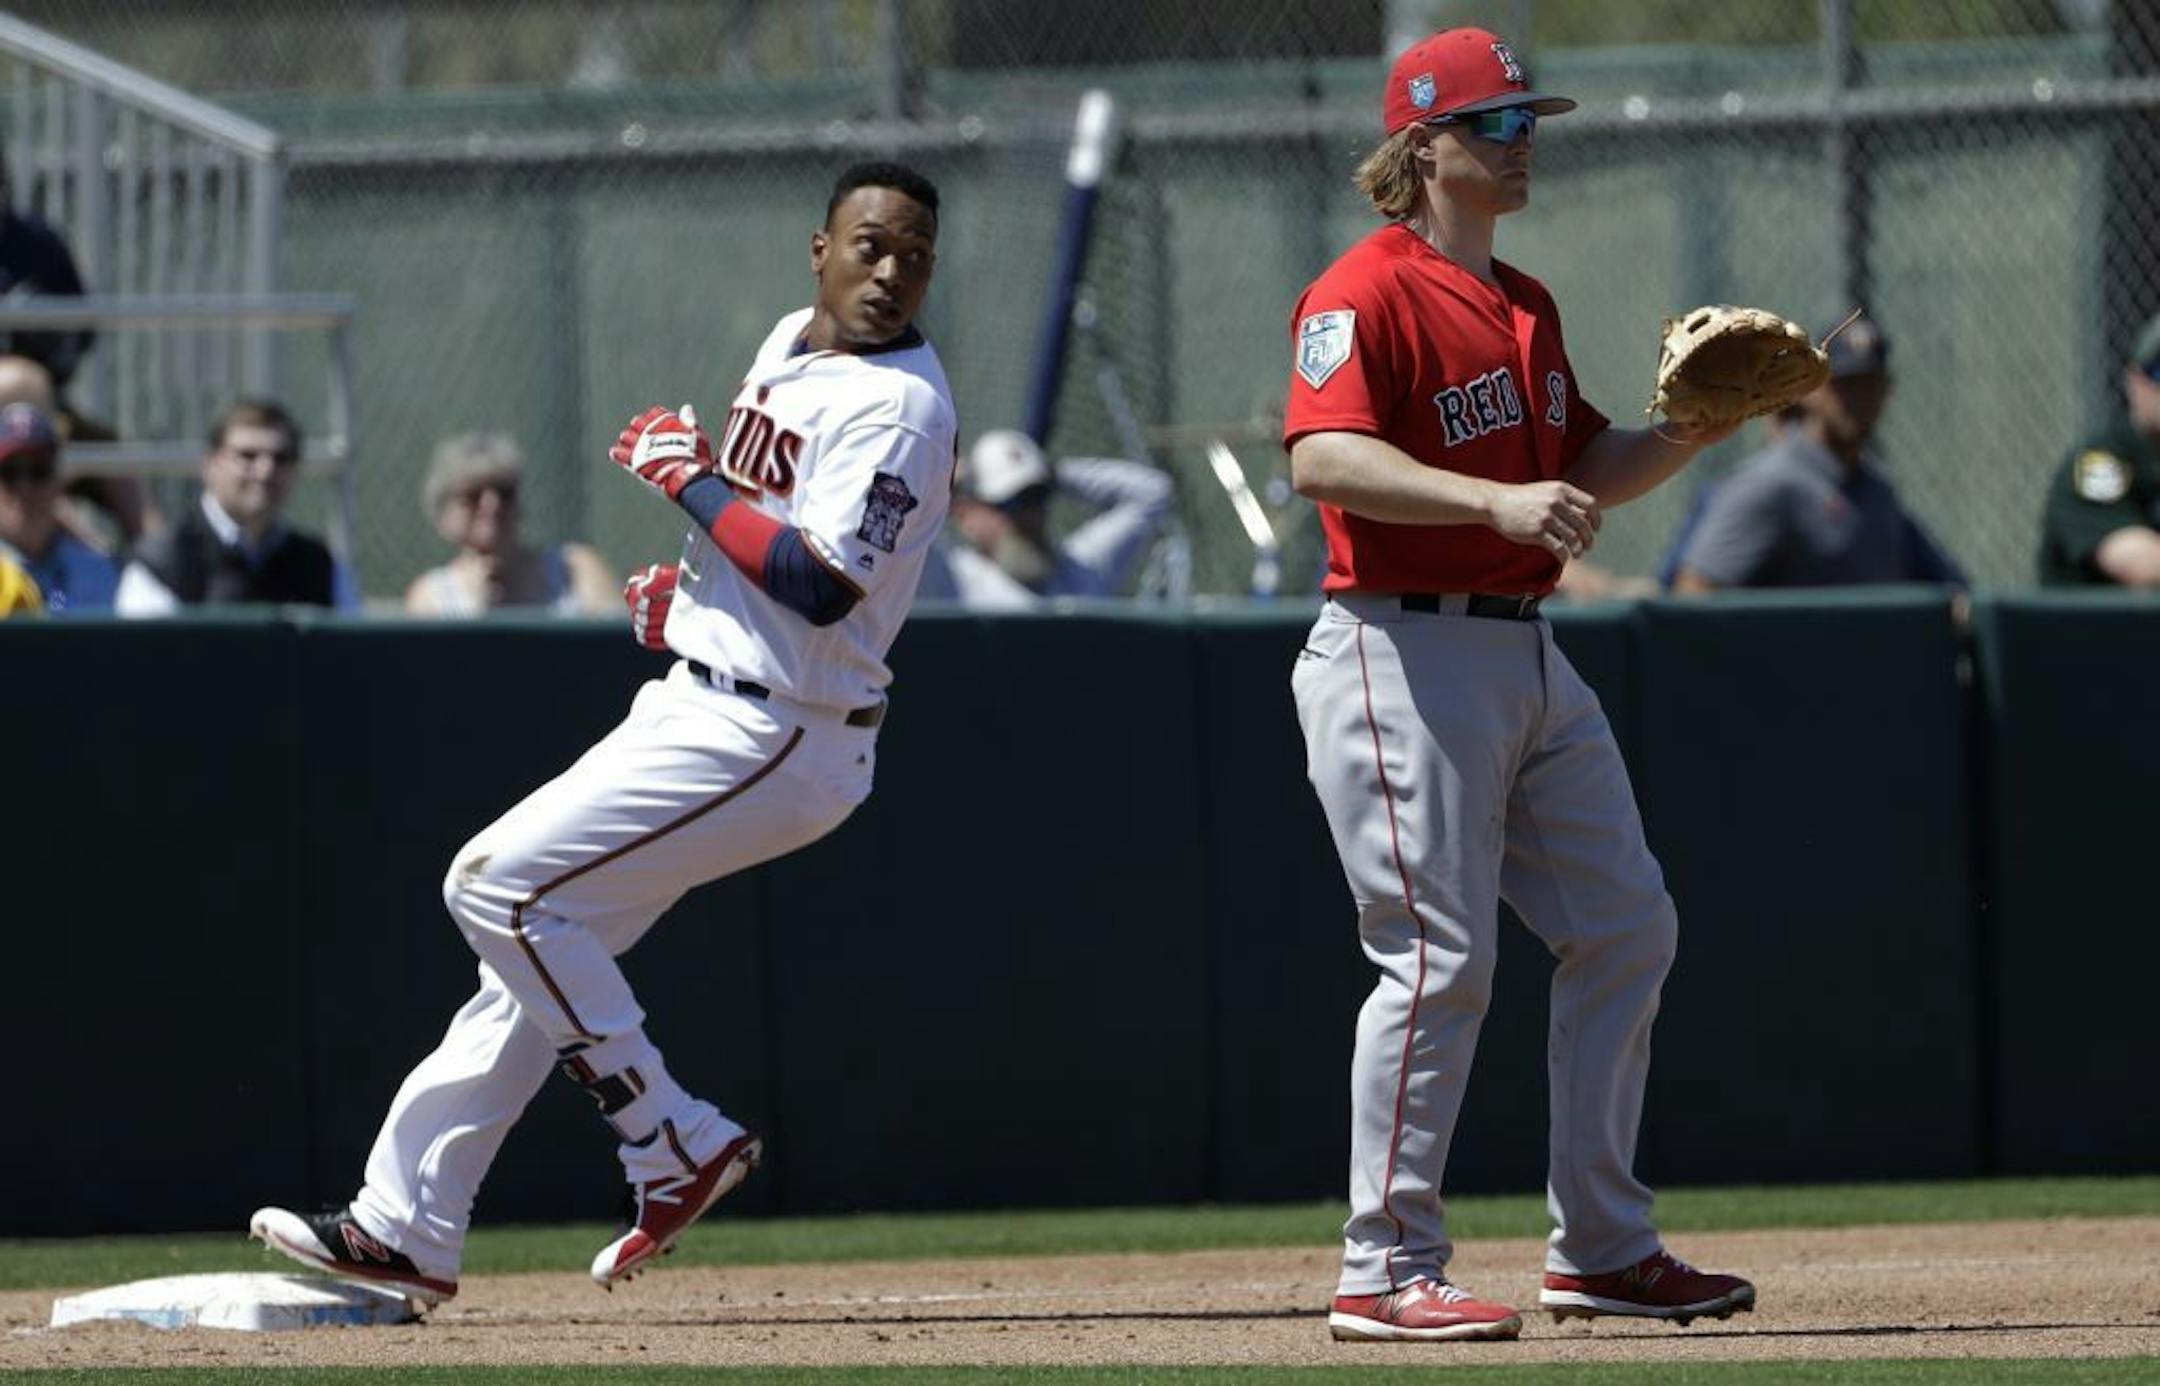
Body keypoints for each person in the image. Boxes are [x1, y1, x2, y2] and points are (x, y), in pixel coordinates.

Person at [249, 160, 955, 1306]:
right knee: (531, 959)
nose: (891, 272)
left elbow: (822, 584)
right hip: (717, 695)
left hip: (782, 733)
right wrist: (691, 609)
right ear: (817, 249)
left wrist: (686, 482)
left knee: (494, 888)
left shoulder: (906, 409)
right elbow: (769, 541)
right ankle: (405, 1224)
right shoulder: (790, 340)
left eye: (915, 255)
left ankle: (667, 1134)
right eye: (871, 245)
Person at [1283, 28, 1756, 1344]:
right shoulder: (1358, 290)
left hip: (1524, 649)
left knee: (1625, 925)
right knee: (1438, 957)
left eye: (1527, 119)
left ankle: (1600, 1246)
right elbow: (1325, 459)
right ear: (1421, 146)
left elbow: (1582, 462)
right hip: (1397, 644)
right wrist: (1496, 497)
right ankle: (1382, 1266)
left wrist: (1693, 433)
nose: (1521, 140)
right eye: (1493, 124)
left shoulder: (1528, 300)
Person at [1669, 314, 1963, 592]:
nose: (1858, 400)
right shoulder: (1770, 484)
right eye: (1844, 386)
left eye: (1870, 386)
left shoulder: (1877, 489)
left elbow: (1950, 591)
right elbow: (1695, 596)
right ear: (1809, 390)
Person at [115, 399, 361, 615]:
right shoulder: (162, 565)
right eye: (248, 455)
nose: (266, 471)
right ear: (210, 465)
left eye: (281, 458)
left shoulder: (321, 567)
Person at [926, 429, 1171, 606]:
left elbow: (1153, 492)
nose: (1029, 515)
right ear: (966, 514)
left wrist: (1053, 473)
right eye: (1010, 503)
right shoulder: (951, 579)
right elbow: (902, 531)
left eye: (1037, 497)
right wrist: (937, 485)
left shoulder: (1082, 569)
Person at [405, 431, 618, 617]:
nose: (492, 505)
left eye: (504, 492)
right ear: (443, 514)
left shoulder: (575, 569)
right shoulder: (431, 596)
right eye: (473, 495)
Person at [2038, 311, 2160, 586]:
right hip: (2091, 628)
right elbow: (2141, 566)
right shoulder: (2101, 463)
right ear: (2135, 380)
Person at [0, 401, 118, 612]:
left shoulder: (99, 571)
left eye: (38, 471)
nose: (24, 487)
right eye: (9, 473)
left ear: (59, 482)